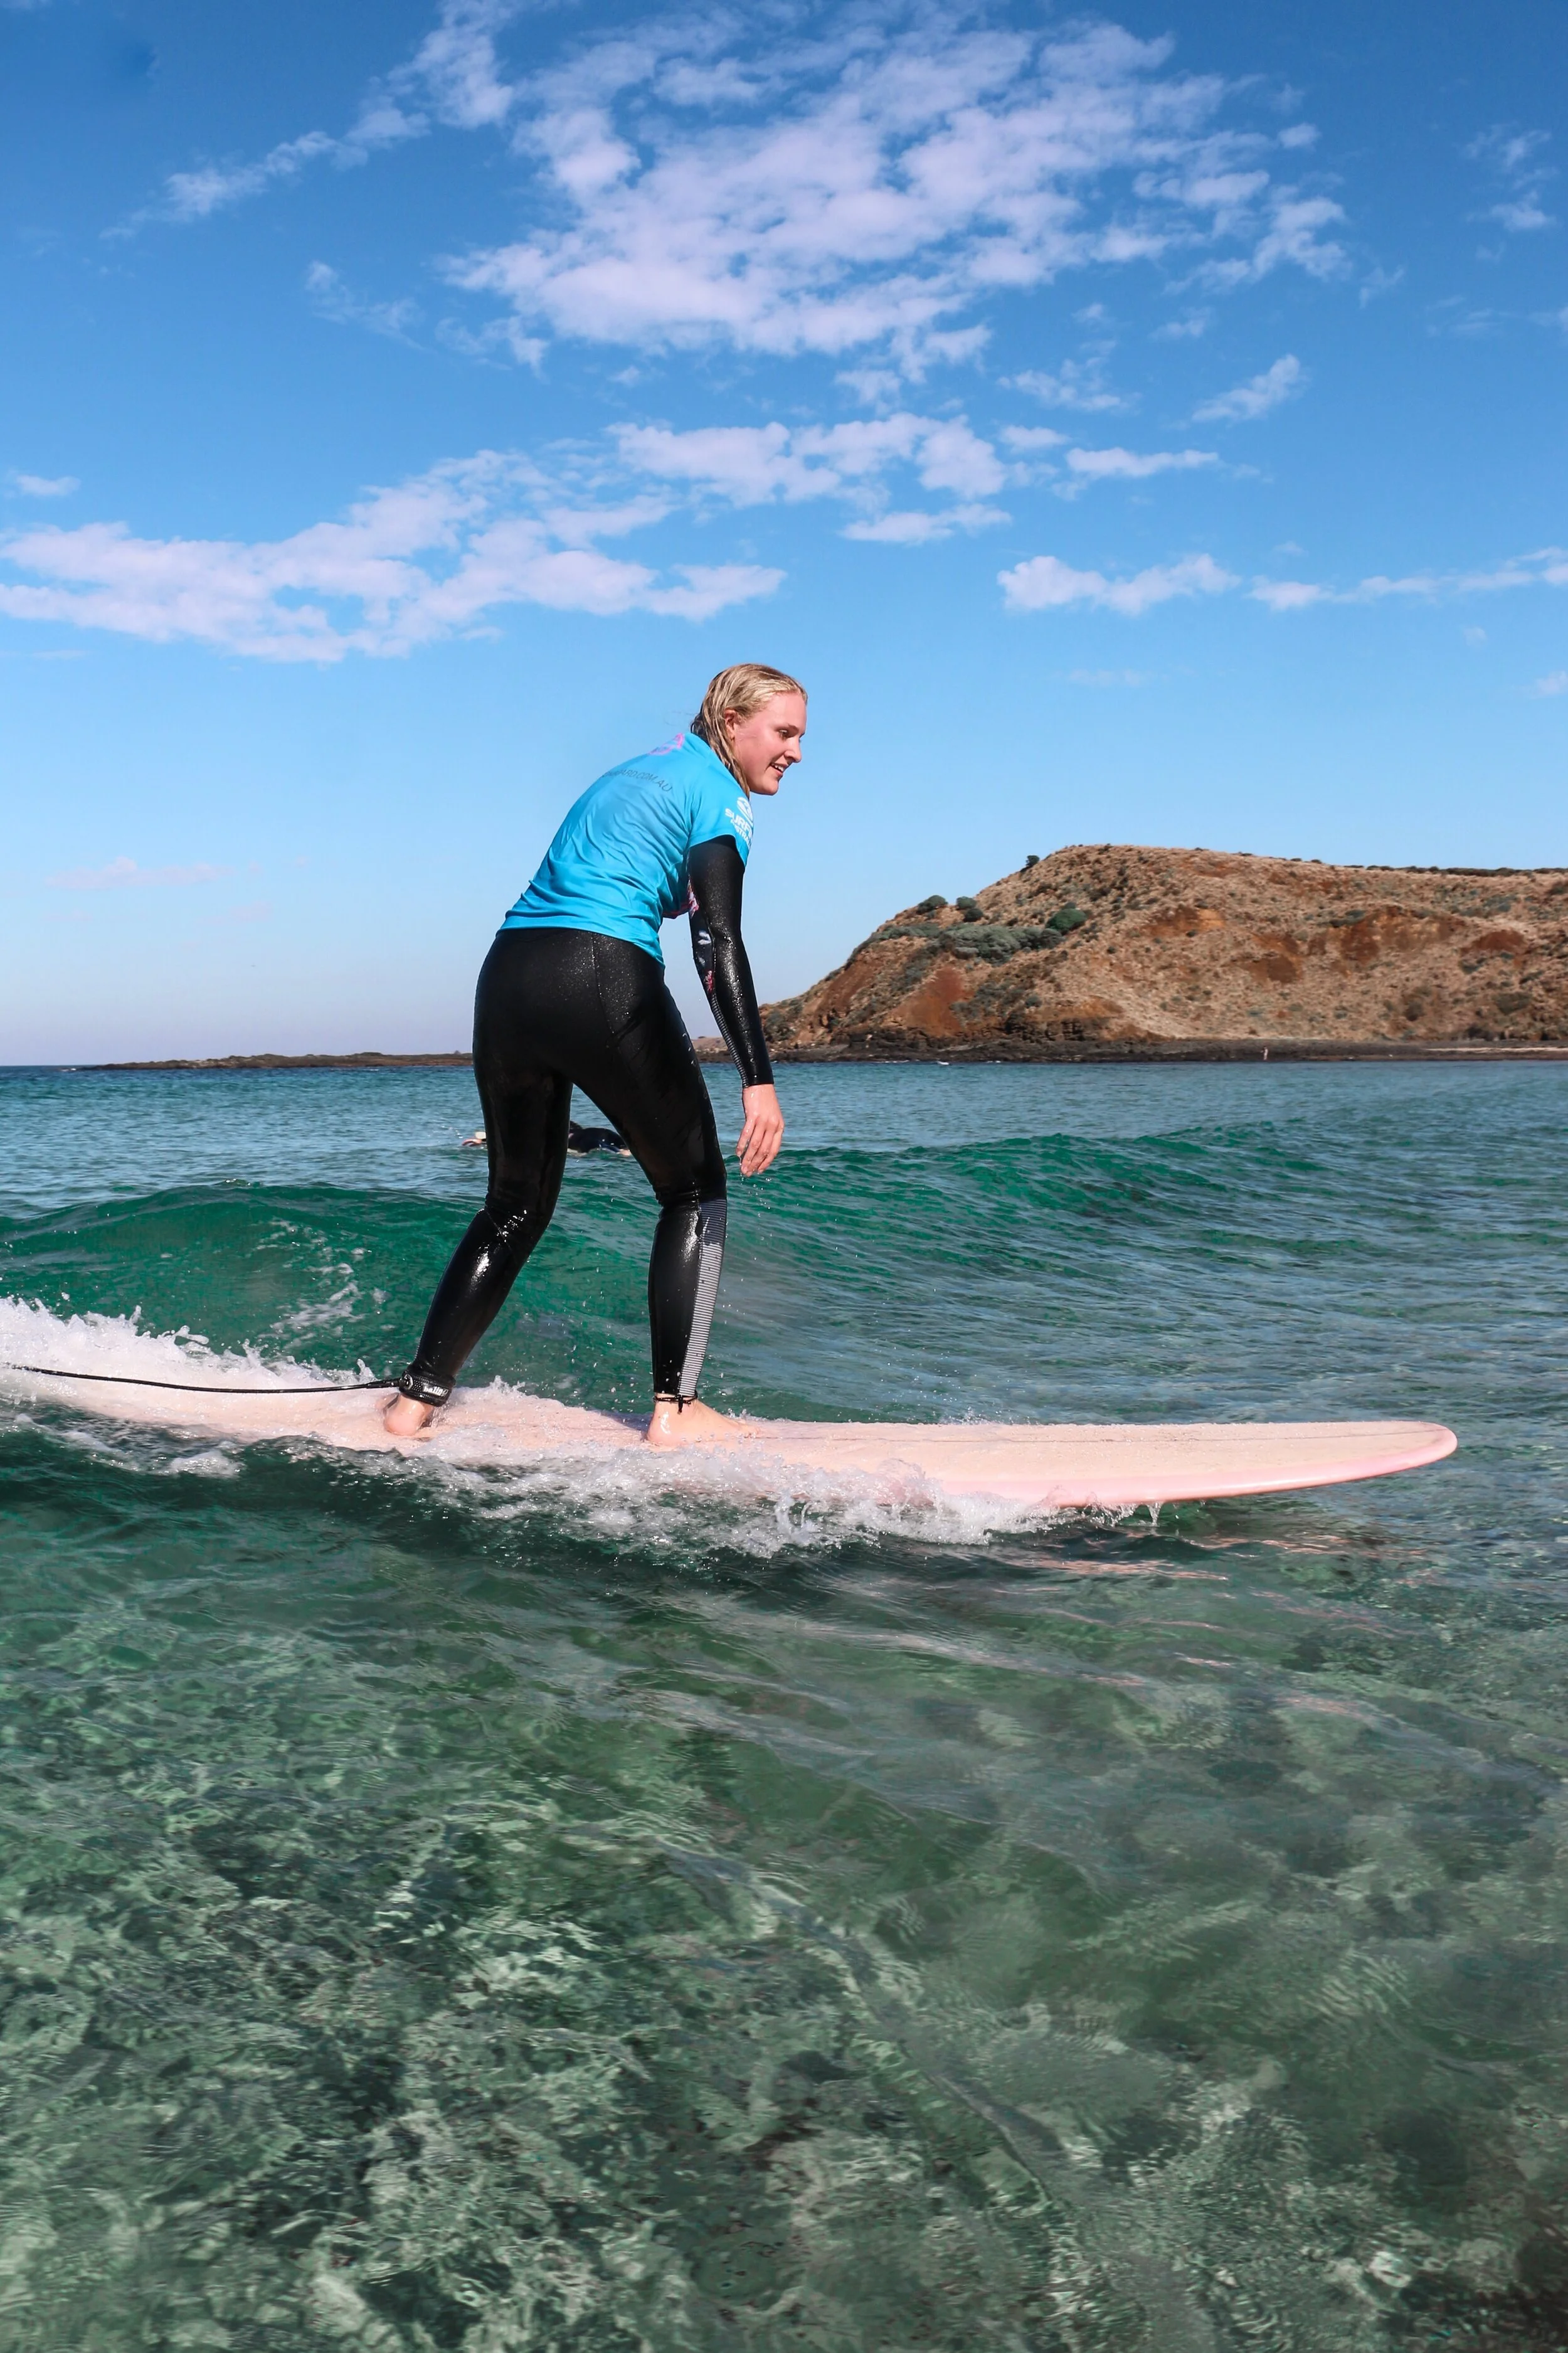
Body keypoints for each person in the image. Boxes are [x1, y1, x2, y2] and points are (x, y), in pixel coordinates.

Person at [383, 662, 804, 1446]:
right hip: (602, 972)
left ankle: (414, 1404)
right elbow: (715, 938)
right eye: (783, 733)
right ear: (732, 722)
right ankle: (676, 1410)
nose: (795, 752)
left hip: (508, 977)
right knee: (694, 1190)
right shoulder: (719, 793)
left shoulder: (633, 772)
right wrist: (758, 1079)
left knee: (513, 1204)